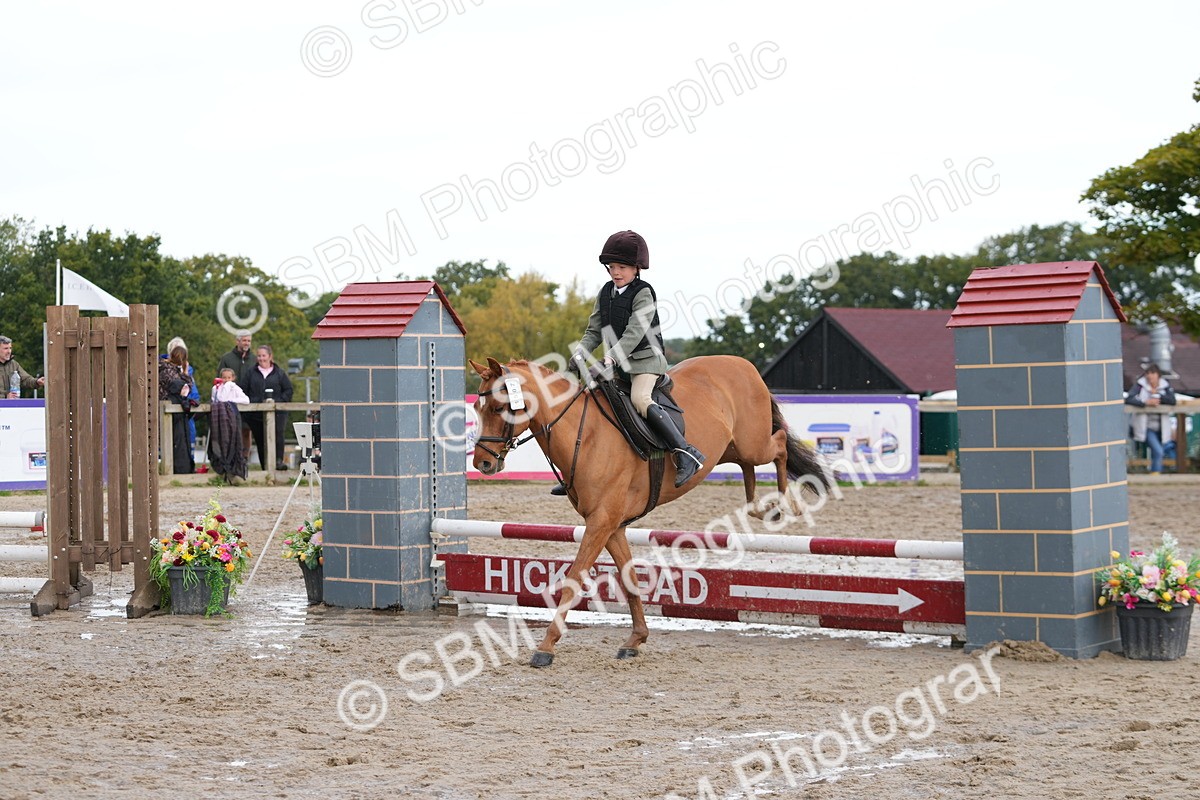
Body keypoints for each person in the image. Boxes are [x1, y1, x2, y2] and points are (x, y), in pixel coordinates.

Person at [557, 230, 704, 494]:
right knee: (590, 399)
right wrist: (579, 352)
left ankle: (685, 452)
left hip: (646, 362)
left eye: (622, 267)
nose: (616, 272)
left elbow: (635, 332)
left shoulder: (644, 293)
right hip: (617, 364)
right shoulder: (606, 292)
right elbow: (593, 331)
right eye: (612, 267)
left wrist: (610, 357)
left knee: (640, 399)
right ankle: (580, 472)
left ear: (636, 268)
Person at [240, 344, 294, 471]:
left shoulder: (280, 373)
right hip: (256, 414)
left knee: (278, 435)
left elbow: (288, 390)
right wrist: (255, 402)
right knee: (260, 439)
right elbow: (243, 391)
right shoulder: (250, 373)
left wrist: (278, 402)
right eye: (259, 355)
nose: (261, 358)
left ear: (270, 356)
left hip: (278, 413)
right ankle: (265, 466)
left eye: (263, 355)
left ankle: (278, 462)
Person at [1125, 363, 1177, 474]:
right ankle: (1155, 474)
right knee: (1158, 451)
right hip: (1146, 426)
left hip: (1162, 426)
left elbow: (1172, 400)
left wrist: (1159, 396)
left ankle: (1156, 473)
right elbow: (1129, 399)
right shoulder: (1140, 385)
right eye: (1148, 373)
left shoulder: (1165, 386)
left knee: (1157, 451)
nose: (1150, 376)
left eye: (1152, 373)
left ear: (1158, 375)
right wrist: (1145, 403)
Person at [217, 330, 255, 461]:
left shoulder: (254, 359)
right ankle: (231, 457)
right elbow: (219, 378)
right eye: (244, 340)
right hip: (229, 401)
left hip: (246, 400)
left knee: (246, 430)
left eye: (249, 340)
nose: (247, 343)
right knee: (231, 430)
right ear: (237, 341)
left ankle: (244, 457)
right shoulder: (227, 358)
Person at [209, 368, 249, 485]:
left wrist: (230, 400)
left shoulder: (233, 387)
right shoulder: (216, 388)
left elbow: (246, 400)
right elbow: (216, 399)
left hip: (231, 416)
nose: (226, 380)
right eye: (224, 378)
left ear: (233, 378)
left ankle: (234, 468)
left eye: (229, 378)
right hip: (220, 417)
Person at [158, 345, 194, 474]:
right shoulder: (170, 371)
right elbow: (184, 388)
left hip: (170, 409)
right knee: (175, 440)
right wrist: (185, 373)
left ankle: (177, 468)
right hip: (169, 410)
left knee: (175, 440)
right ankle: (178, 469)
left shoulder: (165, 369)